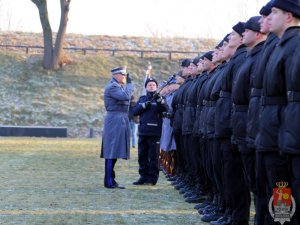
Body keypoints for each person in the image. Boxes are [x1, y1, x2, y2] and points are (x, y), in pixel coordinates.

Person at [100, 66, 134, 189]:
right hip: (115, 120)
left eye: (126, 75)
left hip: (119, 119)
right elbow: (125, 97)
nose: (125, 77)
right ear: (116, 75)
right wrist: (130, 85)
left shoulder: (118, 87)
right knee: (111, 151)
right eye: (123, 75)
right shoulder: (113, 87)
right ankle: (109, 181)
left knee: (114, 151)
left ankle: (111, 180)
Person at [132, 77, 168, 185]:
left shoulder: (160, 99)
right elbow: (134, 112)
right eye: (149, 85)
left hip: (154, 132)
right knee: (142, 156)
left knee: (154, 156)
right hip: (143, 132)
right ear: (146, 87)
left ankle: (152, 178)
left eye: (153, 85)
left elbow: (166, 109)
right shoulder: (142, 99)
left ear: (156, 87)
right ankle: (143, 177)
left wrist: (160, 101)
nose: (151, 86)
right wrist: (143, 106)